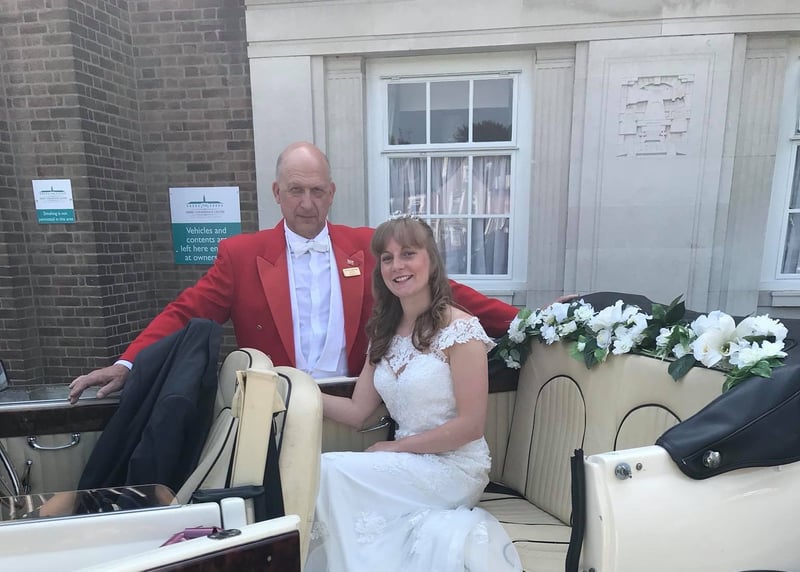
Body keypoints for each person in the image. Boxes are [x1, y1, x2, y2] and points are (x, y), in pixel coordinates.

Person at [68, 142, 518, 404]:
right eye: (296, 190)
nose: (307, 203)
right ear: (277, 192)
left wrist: (525, 322)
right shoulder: (241, 255)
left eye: (317, 191)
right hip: (275, 409)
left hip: (357, 403)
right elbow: (186, 313)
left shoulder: (367, 246)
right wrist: (128, 363)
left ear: (332, 193)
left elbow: (442, 290)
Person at [305, 216, 522, 572]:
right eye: (387, 258)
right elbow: (358, 411)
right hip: (406, 463)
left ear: (431, 260)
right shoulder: (384, 333)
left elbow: (471, 426)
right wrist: (294, 390)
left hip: (455, 467)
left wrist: (396, 447)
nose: (397, 266)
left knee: (330, 471)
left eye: (408, 253)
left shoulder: (461, 330)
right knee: (322, 470)